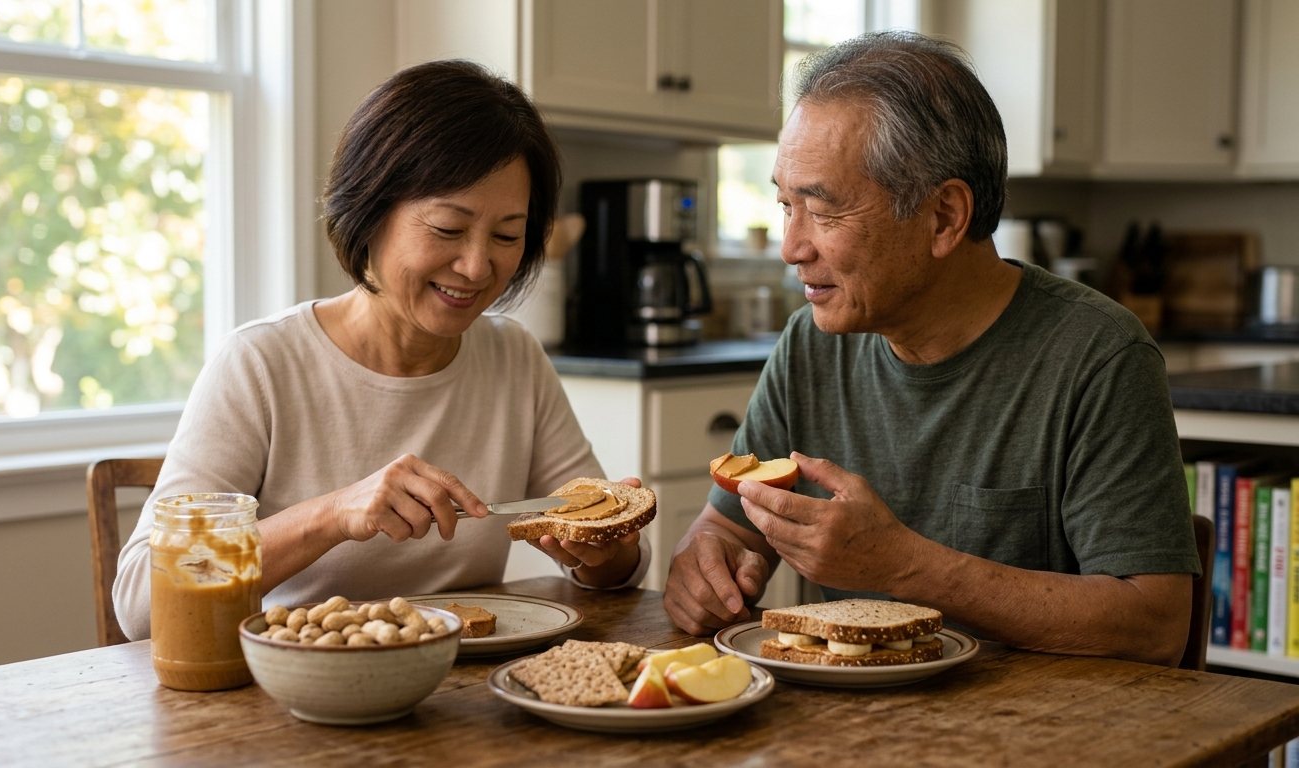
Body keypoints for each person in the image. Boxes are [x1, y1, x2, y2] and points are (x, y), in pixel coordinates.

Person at [663, 32, 1200, 667]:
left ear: (944, 217)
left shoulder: (1098, 356)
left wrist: (906, 568)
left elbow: (1155, 625)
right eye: (786, 207)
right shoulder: (810, 344)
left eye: (823, 212)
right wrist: (706, 563)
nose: (791, 248)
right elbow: (728, 526)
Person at [115, 61, 646, 640]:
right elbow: (145, 600)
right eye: (447, 228)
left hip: (459, 698)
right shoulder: (261, 364)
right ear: (369, 212)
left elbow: (615, 573)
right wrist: (333, 514)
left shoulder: (513, 358)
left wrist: (602, 550)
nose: (476, 266)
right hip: (292, 696)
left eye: (506, 235)